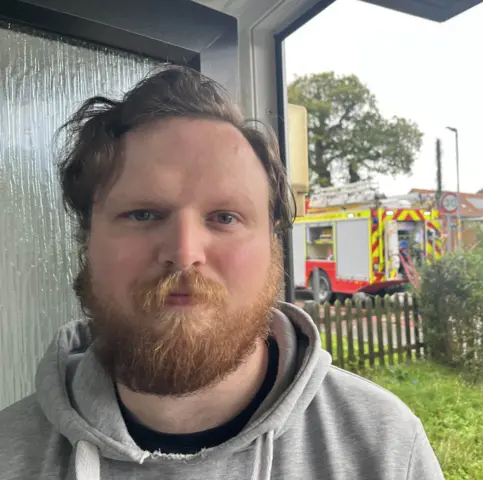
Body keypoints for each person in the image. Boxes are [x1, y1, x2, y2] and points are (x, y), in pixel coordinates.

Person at [0, 66, 444, 480]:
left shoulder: (385, 450)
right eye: (142, 214)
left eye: (225, 217)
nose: (184, 252)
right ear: (86, 244)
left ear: (273, 248)